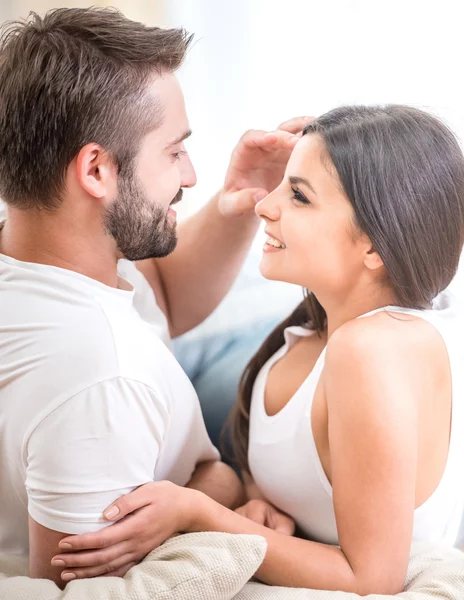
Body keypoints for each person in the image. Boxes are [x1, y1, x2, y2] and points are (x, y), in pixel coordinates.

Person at [58, 105, 464, 595]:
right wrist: (256, 501)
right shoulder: (319, 324)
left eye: (298, 195)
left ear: (374, 247)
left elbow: (372, 578)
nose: (265, 206)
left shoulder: (372, 349)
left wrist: (199, 512)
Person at [0, 7, 306, 586]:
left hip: (165, 379)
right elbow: (74, 580)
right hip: (153, 403)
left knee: (278, 322)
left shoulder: (37, 247)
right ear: (95, 170)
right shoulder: (102, 381)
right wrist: (218, 486)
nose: (190, 175)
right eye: (173, 151)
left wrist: (238, 198)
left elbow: (154, 296)